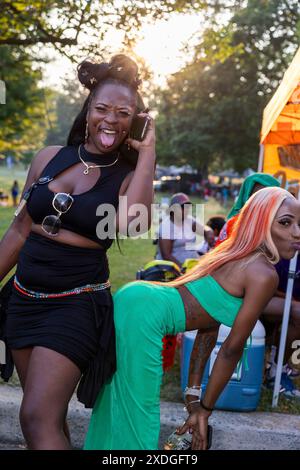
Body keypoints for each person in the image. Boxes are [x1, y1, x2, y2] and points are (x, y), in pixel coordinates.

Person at [0, 54, 156, 450]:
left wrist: (148, 152)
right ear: (88, 110)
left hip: (76, 304)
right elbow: (19, 229)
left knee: (35, 417)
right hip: (24, 299)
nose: (111, 119)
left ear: (136, 119)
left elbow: (136, 223)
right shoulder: (49, 158)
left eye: (124, 113)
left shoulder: (125, 176)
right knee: (46, 420)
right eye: (102, 109)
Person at [84, 187, 300, 450]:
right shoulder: (264, 274)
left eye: (299, 224)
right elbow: (231, 350)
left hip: (137, 300)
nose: (297, 233)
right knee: (139, 412)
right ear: (261, 221)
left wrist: (194, 395)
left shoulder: (234, 254)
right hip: (145, 314)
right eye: (286, 223)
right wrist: (205, 410)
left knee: (118, 404)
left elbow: (208, 327)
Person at [261, 257, 300, 398]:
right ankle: (276, 373)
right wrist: (292, 300)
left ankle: (278, 366)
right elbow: (266, 287)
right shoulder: (283, 251)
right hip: (264, 299)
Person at [216, 173, 280, 245]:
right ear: (246, 196)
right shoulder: (235, 224)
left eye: (268, 197)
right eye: (257, 196)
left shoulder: (278, 224)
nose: (262, 201)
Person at [155, 192, 203, 267]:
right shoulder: (166, 226)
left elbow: (204, 230)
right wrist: (182, 269)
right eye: (183, 207)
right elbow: (166, 256)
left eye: (188, 207)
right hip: (174, 269)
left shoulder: (189, 220)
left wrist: (208, 232)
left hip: (192, 265)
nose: (186, 210)